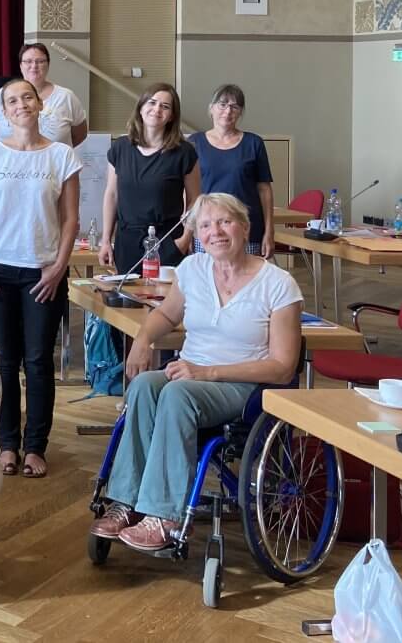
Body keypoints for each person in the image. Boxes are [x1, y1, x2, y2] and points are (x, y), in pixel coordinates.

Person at [89, 193, 302, 551]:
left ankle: (164, 514)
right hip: (193, 376)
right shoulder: (192, 270)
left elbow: (283, 368)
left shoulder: (278, 284)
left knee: (176, 393)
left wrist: (208, 372)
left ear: (245, 227)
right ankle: (125, 501)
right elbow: (167, 315)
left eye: (224, 222)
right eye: (205, 225)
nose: (215, 231)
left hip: (244, 385)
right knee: (143, 385)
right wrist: (143, 340)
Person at [0, 78, 81, 479]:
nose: (20, 105)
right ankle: (8, 443)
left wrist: (59, 266)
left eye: (26, 97)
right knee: (4, 360)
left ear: (39, 104)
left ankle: (36, 446)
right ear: (3, 110)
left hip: (43, 271)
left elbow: (70, 220)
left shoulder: (61, 155)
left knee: (37, 361)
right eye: (11, 100)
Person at [100, 82, 200, 277]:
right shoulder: (120, 148)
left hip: (167, 240)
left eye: (165, 106)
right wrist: (105, 240)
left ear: (172, 115)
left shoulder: (184, 152)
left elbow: (195, 201)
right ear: (141, 107)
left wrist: (185, 239)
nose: (157, 110)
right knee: (128, 303)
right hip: (127, 241)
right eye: (152, 103)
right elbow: (111, 195)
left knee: (163, 302)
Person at [190, 83, 275, 258]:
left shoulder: (254, 143)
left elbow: (264, 190)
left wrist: (269, 231)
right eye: (222, 104)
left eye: (235, 106)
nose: (228, 111)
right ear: (211, 108)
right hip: (207, 229)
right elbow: (186, 191)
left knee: (248, 281)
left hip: (246, 229)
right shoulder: (194, 143)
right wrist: (188, 231)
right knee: (208, 280)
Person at [0, 41, 89, 146]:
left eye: (40, 61)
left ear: (48, 65)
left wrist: (57, 152)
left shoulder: (66, 97)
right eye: (28, 61)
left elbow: (80, 134)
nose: (34, 66)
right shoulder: (4, 93)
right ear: (20, 65)